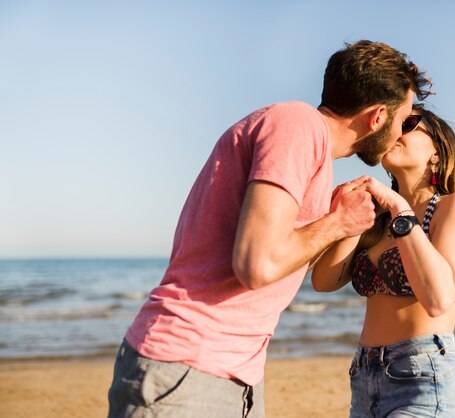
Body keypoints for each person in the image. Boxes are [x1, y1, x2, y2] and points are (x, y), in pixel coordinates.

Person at [107, 40, 432, 418]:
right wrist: (336, 222)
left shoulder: (308, 146)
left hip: (233, 376)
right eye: (405, 120)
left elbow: (280, 261)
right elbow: (257, 265)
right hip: (188, 366)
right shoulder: (297, 125)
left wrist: (334, 219)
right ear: (377, 116)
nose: (402, 133)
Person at [312, 104, 455, 418]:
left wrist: (399, 207)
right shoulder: (377, 217)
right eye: (391, 125)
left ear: (437, 151)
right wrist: (352, 217)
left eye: (409, 124)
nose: (395, 131)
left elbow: (438, 299)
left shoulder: (454, 206)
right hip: (364, 376)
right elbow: (323, 282)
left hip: (422, 373)